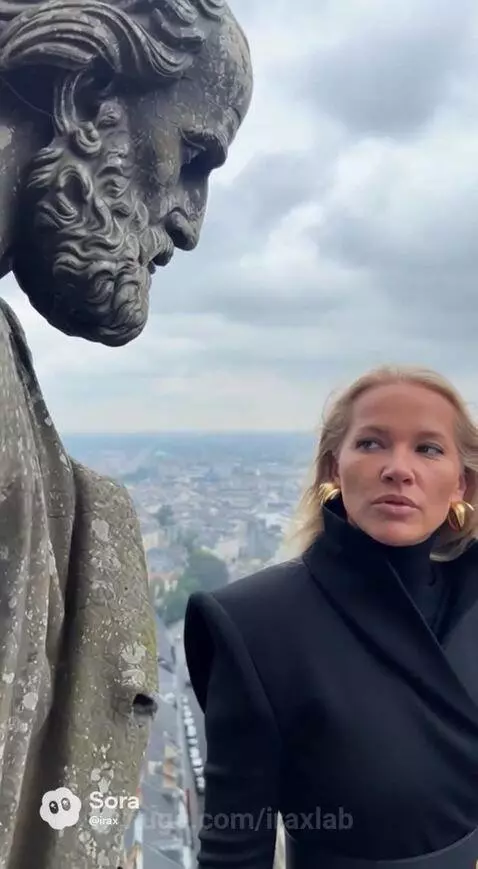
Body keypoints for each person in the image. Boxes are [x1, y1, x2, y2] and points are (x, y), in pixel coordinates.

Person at [184, 364, 478, 869]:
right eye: (371, 444)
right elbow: (235, 846)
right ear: (332, 471)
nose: (398, 469)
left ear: (462, 484)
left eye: (428, 448)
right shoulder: (257, 625)